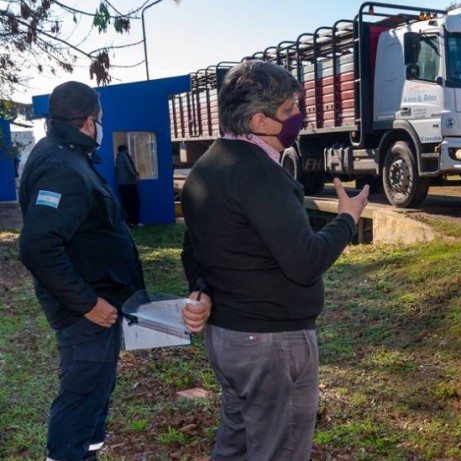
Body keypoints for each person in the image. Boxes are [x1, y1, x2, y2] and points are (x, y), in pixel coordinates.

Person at [179, 60, 370, 461]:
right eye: (289, 110)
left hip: (228, 340)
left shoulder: (206, 168)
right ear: (260, 121)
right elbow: (305, 261)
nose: (299, 118)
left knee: (236, 445)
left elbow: (192, 247)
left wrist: (201, 289)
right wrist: (347, 218)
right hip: (272, 346)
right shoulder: (260, 175)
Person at [18, 81, 144, 461]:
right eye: (101, 120)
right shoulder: (62, 166)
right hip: (87, 312)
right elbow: (38, 245)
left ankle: (86, 453)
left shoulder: (68, 155)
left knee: (93, 396)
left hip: (96, 306)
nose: (100, 126)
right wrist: (87, 303)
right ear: (90, 122)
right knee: (81, 396)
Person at [114, 144, 141, 226]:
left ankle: (127, 222)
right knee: (135, 203)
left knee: (126, 204)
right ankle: (134, 221)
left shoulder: (117, 158)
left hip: (121, 184)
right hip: (129, 183)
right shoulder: (125, 156)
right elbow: (130, 167)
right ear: (126, 150)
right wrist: (136, 175)